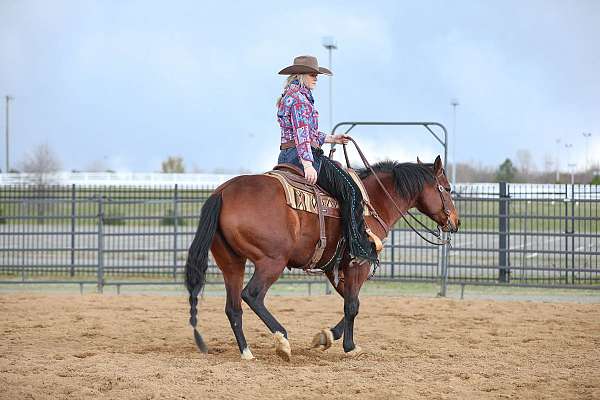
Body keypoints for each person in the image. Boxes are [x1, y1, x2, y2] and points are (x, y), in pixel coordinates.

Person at [276, 55, 378, 264]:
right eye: (313, 74)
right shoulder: (300, 100)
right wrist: (307, 163)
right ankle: (357, 248)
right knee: (351, 190)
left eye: (317, 75)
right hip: (303, 156)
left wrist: (331, 138)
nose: (316, 78)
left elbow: (306, 131)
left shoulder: (291, 95)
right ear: (301, 74)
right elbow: (302, 133)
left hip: (286, 155)